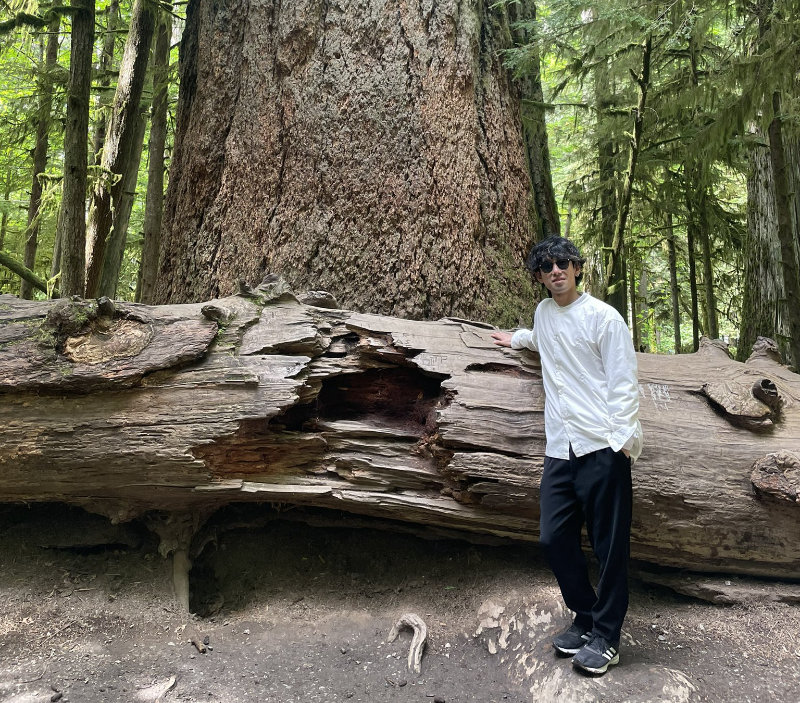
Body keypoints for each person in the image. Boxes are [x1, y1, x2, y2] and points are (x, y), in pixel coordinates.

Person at [491, 235, 642, 676]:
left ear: (577, 268)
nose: (556, 270)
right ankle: (586, 615)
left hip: (602, 446)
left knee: (609, 546)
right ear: (538, 277)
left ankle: (608, 637)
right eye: (547, 266)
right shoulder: (543, 313)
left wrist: (619, 444)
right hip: (560, 447)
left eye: (563, 262)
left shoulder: (605, 319)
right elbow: (542, 339)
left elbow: (623, 383)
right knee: (553, 538)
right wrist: (515, 339)